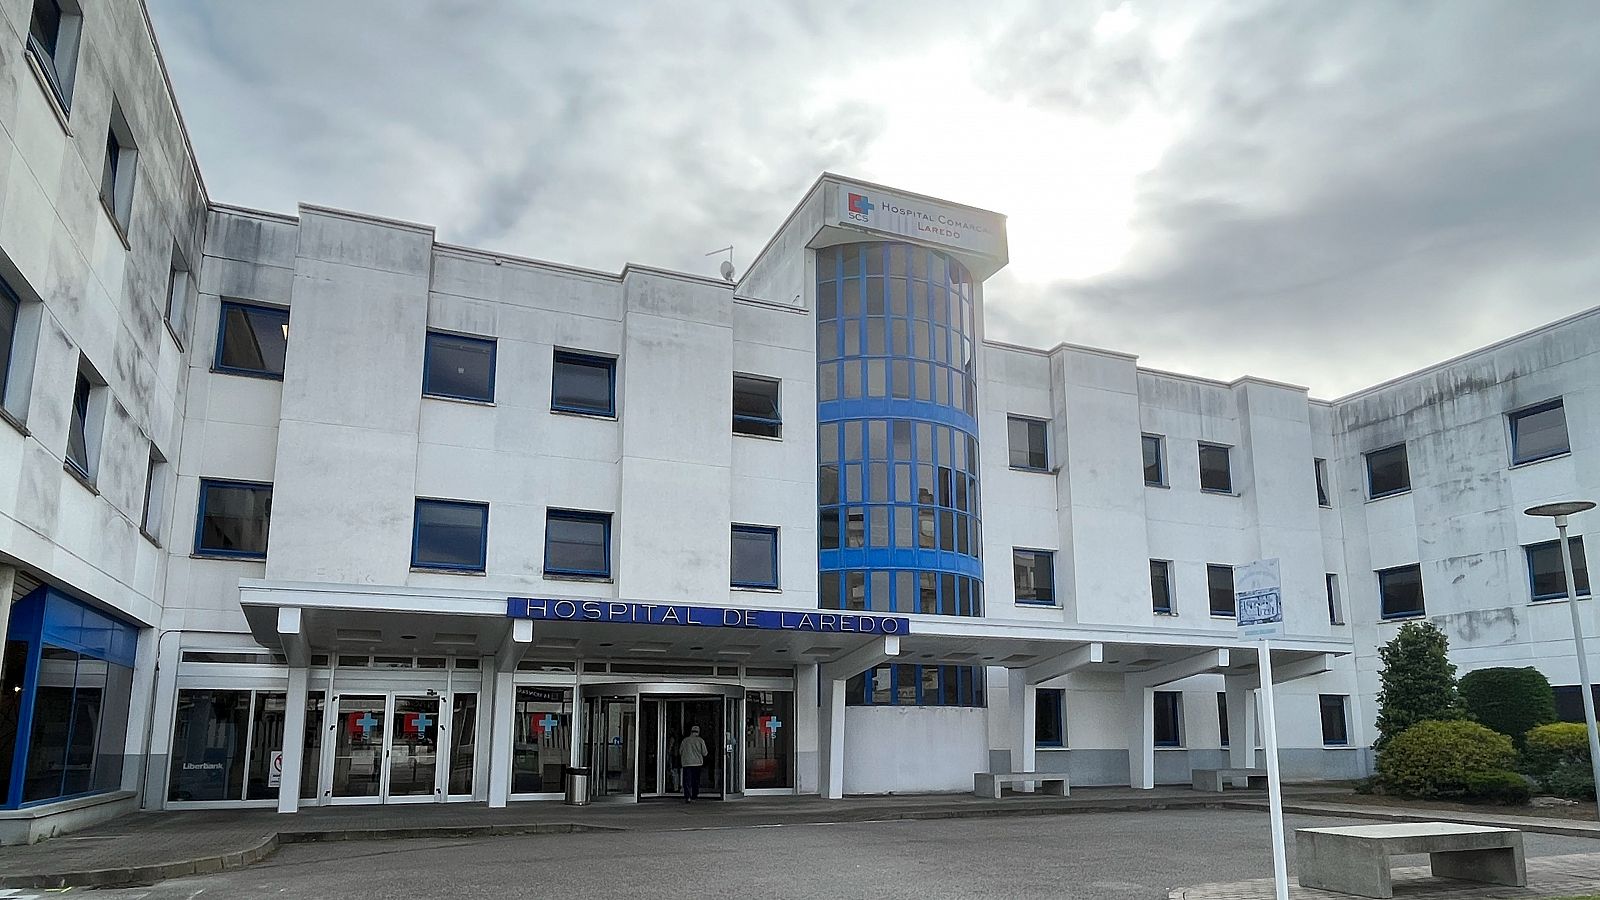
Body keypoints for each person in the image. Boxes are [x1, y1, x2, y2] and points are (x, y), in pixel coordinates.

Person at [678, 724, 709, 802]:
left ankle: (687, 796)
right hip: (697, 763)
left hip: (686, 763)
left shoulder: (685, 740)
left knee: (687, 781)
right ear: (698, 732)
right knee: (695, 780)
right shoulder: (700, 740)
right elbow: (705, 753)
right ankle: (694, 795)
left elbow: (680, 751)